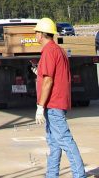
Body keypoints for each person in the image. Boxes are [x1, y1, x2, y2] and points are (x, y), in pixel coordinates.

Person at [33, 17, 86, 178]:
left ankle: (79, 174)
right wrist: (38, 73)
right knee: (54, 143)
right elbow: (50, 75)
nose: (35, 35)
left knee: (64, 140)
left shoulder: (49, 51)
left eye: (36, 32)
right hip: (56, 103)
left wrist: (40, 106)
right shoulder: (56, 50)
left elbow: (49, 80)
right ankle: (52, 174)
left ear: (41, 34)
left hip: (53, 104)